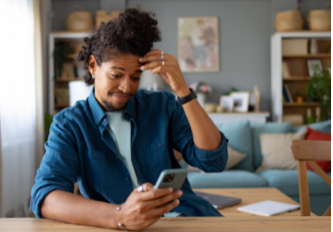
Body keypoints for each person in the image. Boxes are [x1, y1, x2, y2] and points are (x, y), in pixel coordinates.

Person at [31, 7, 228, 231]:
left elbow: (213, 160)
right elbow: (45, 196)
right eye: (116, 75)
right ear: (93, 66)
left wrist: (182, 90)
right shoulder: (70, 124)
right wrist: (120, 215)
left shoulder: (162, 106)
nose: (127, 87)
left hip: (187, 218)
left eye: (135, 77)